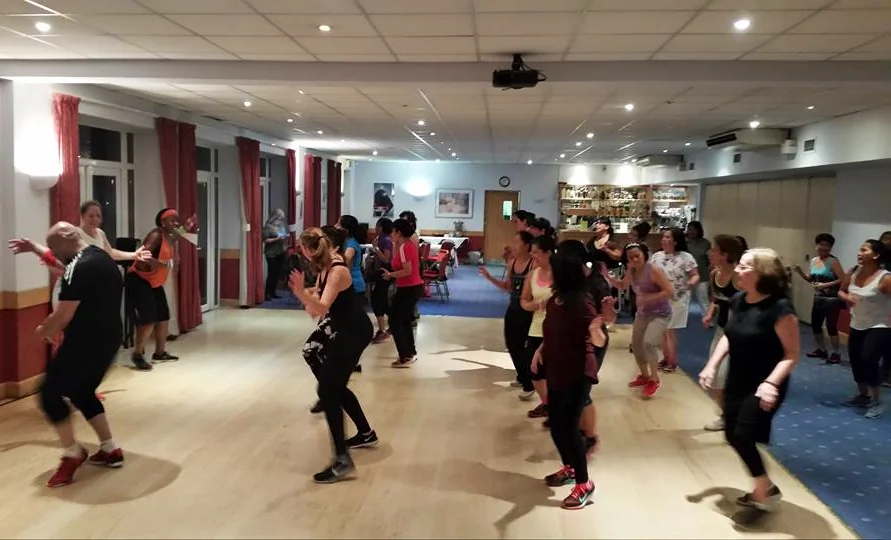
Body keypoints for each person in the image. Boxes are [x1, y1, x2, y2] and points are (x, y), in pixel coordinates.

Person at [699, 248, 799, 522]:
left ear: (762, 273)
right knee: (732, 433)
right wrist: (712, 365)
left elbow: (792, 354)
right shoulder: (739, 300)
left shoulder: (780, 309)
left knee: (743, 434)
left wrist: (770, 383)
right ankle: (766, 487)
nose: (737, 270)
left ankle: (763, 492)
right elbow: (729, 335)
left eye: (744, 266)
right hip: (738, 379)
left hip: (765, 383)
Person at [35, 222, 126, 487]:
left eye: (53, 247)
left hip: (86, 343)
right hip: (109, 340)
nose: (53, 253)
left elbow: (63, 314)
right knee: (82, 391)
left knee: (49, 394)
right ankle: (110, 448)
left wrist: (44, 329)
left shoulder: (79, 266)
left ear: (66, 237)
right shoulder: (103, 258)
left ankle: (72, 453)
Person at [289, 228, 376, 483]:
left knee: (328, 390)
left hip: (354, 332)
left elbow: (321, 308)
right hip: (345, 329)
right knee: (331, 388)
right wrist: (308, 296)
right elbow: (317, 306)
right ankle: (361, 437)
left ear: (308, 250)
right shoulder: (325, 268)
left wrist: (300, 293)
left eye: (302, 249)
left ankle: (342, 459)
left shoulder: (337, 270)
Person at [532, 247, 605, 510]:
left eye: (554, 269)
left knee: (569, 427)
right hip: (556, 368)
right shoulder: (556, 300)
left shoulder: (582, 301)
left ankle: (584, 483)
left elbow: (598, 339)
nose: (549, 273)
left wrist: (597, 329)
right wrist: (540, 351)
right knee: (556, 424)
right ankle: (571, 468)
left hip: (577, 371)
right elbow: (552, 331)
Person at [557, 239, 617, 454]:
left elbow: (609, 318)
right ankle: (579, 428)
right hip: (571, 339)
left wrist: (601, 320)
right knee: (573, 388)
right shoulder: (570, 280)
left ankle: (589, 436)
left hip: (592, 340)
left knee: (581, 390)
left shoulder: (596, 282)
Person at [126, 208, 197, 371]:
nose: (176, 223)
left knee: (163, 316)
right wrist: (161, 264)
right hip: (139, 280)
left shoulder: (168, 236)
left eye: (177, 220)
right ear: (163, 222)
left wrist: (186, 226)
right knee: (149, 318)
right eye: (172, 220)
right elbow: (143, 257)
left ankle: (159, 352)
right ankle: (137, 354)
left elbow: (175, 237)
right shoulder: (156, 235)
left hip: (154, 282)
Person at [608, 242, 673, 399]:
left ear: (644, 255)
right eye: (630, 257)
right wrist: (608, 277)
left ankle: (654, 379)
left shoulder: (653, 271)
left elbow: (669, 291)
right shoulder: (631, 270)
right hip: (643, 313)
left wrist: (649, 298)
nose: (634, 259)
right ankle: (644, 375)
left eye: (637, 256)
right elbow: (622, 285)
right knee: (636, 345)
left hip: (660, 314)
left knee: (649, 343)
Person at [480, 231, 535, 400]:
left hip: (530, 310)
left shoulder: (534, 264)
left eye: (517, 242)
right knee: (512, 343)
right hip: (514, 307)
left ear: (527, 245)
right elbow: (508, 287)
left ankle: (528, 382)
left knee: (526, 346)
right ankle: (522, 375)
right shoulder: (512, 263)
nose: (514, 245)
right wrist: (490, 278)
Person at [839, 239, 890, 419]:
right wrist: (847, 297)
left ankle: (877, 401)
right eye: (859, 250)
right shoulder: (853, 271)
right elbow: (841, 290)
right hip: (857, 323)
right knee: (856, 360)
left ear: (876, 255)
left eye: (864, 250)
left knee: (868, 360)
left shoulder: (885, 278)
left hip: (879, 325)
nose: (859, 253)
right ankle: (863, 395)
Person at [701, 235, 744, 432]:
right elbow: (716, 299)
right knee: (717, 378)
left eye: (714, 250)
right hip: (721, 332)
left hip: (740, 336)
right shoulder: (714, 275)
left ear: (725, 255)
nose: (710, 253)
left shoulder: (739, 278)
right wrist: (710, 314)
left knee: (732, 378)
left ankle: (735, 418)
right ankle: (726, 417)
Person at [650, 228, 699, 373]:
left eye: (668, 237)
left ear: (676, 241)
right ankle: (665, 357)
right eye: (663, 237)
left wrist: (690, 283)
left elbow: (695, 275)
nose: (664, 240)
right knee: (662, 330)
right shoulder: (657, 256)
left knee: (670, 331)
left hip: (677, 297)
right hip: (660, 297)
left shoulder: (686, 257)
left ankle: (672, 361)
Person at [793, 233, 845, 364]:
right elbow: (810, 279)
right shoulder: (814, 261)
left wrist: (825, 285)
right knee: (815, 325)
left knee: (831, 326)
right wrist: (799, 271)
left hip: (832, 299)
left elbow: (843, 279)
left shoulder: (833, 261)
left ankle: (836, 353)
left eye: (828, 245)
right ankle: (822, 350)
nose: (824, 247)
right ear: (816, 245)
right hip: (818, 298)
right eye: (822, 244)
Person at [521, 235, 556, 419]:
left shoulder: (561, 274)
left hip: (557, 328)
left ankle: (557, 406)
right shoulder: (532, 275)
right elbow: (524, 301)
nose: (533, 255)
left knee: (554, 370)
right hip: (537, 327)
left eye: (536, 252)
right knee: (534, 370)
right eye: (532, 252)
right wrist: (536, 305)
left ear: (548, 253)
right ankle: (547, 403)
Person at [383, 218, 424, 368]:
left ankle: (405, 355)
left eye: (393, 232)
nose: (390, 235)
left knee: (394, 321)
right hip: (412, 287)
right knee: (404, 320)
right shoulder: (407, 245)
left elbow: (407, 271)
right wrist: (395, 245)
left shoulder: (405, 247)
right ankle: (410, 352)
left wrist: (390, 275)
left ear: (399, 232)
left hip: (409, 288)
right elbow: (397, 263)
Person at [368, 217, 394, 344]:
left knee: (378, 300)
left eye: (377, 226)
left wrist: (376, 248)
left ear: (381, 227)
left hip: (384, 273)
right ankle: (388, 327)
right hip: (380, 273)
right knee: (380, 300)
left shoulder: (386, 240)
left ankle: (384, 329)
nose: (375, 228)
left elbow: (386, 259)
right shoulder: (382, 239)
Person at [686, 221, 712, 317]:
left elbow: (709, 259)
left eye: (694, 229)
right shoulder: (683, 242)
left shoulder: (705, 243)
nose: (691, 232)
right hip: (687, 276)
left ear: (699, 230)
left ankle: (708, 319)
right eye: (689, 229)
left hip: (702, 276)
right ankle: (682, 320)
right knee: (685, 301)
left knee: (704, 300)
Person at [263, 209, 288, 301]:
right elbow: (265, 240)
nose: (281, 219)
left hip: (281, 252)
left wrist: (285, 237)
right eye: (279, 217)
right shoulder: (268, 227)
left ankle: (273, 292)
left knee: (277, 273)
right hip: (271, 254)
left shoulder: (281, 226)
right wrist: (276, 239)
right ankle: (267, 293)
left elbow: (284, 235)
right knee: (271, 273)